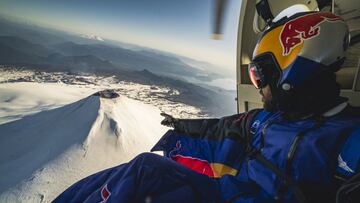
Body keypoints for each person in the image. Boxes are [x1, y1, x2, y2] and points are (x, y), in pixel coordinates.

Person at [54, 11, 360, 203]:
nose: (258, 85)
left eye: (261, 73)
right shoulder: (266, 118)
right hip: (225, 193)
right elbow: (221, 128)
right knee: (144, 167)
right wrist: (181, 126)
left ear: (298, 69)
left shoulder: (348, 137)